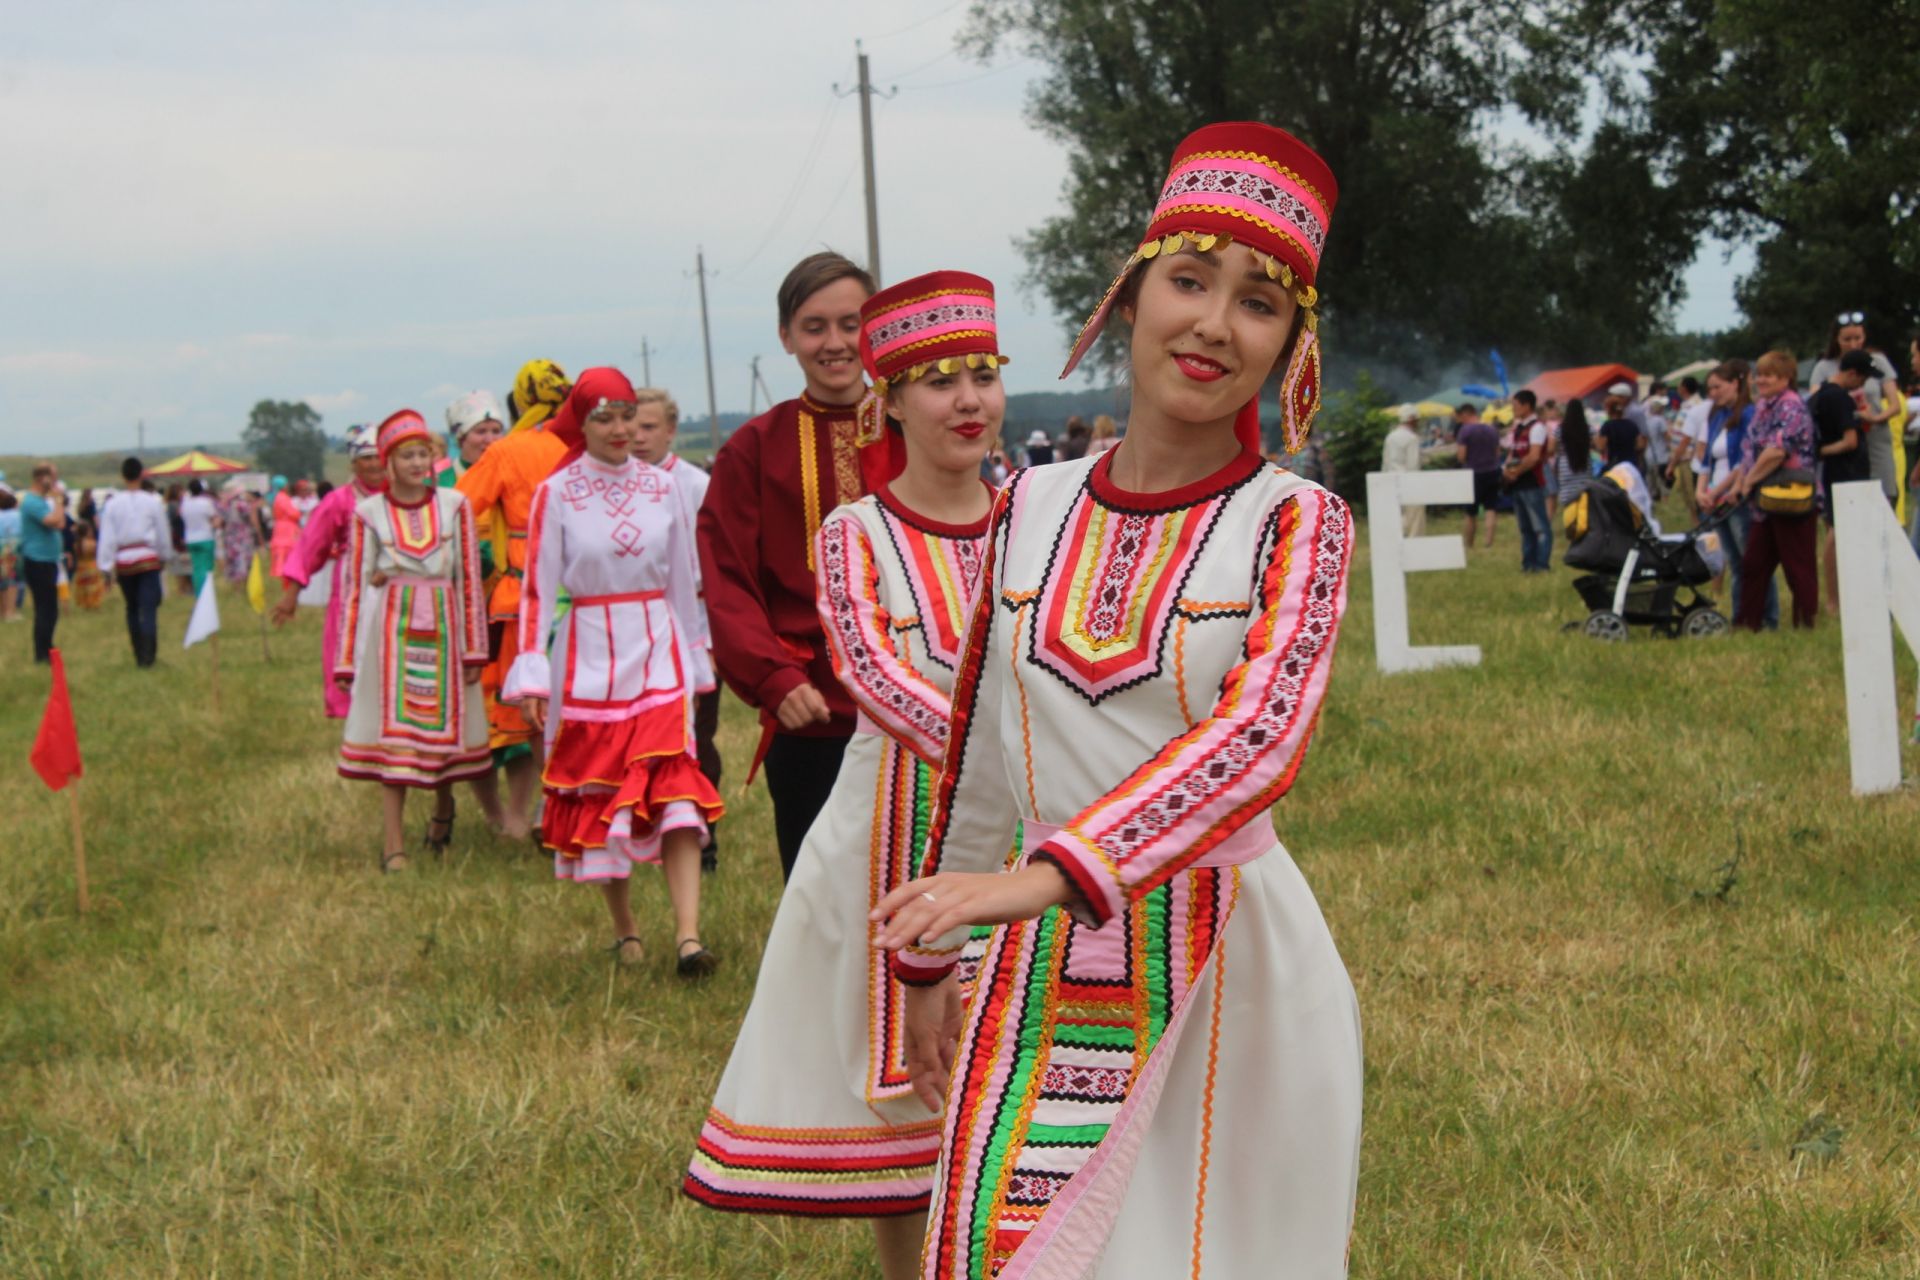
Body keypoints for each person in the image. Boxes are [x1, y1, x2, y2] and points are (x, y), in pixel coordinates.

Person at [870, 120, 1360, 1278]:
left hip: (1235, 968)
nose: (1212, 324)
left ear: (1292, 342)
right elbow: (984, 746)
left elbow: (1258, 740)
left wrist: (1047, 875)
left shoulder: (1296, 523)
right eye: (1189, 281)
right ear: (1130, 297)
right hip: (1040, 964)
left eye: (1259, 303)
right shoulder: (1027, 506)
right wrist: (931, 968)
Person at [686, 273, 1004, 1274]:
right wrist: (1013, 742)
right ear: (892, 397)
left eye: (984, 376)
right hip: (887, 830)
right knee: (904, 1077)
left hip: (1025, 833)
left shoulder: (1034, 518)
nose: (967, 399)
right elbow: (874, 670)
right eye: (939, 379)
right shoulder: (856, 532)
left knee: (1020, 1058)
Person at [503, 369, 722, 972]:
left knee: (676, 785)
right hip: (590, 657)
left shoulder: (663, 488)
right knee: (603, 795)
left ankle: (688, 937)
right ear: (582, 422)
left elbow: (682, 579)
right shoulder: (558, 492)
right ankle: (627, 931)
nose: (621, 429)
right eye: (605, 417)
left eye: (628, 414)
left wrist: (697, 661)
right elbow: (536, 592)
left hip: (658, 648)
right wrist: (530, 674)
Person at [699, 252, 875, 881]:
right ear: (786, 336)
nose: (835, 343)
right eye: (814, 326)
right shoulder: (753, 450)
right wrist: (773, 679)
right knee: (820, 889)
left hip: (927, 709)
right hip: (812, 710)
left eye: (851, 323)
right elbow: (727, 581)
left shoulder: (919, 430)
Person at [335, 411, 492, 872]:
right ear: (388, 462)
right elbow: (355, 587)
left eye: (424, 453)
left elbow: (467, 579)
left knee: (443, 735)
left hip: (445, 629)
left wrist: (474, 647)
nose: (419, 463)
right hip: (392, 634)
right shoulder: (368, 514)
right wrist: (348, 661)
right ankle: (394, 844)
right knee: (396, 741)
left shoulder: (454, 506)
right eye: (408, 455)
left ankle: (443, 812)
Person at [457, 361, 572, 838]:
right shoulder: (580, 444)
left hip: (527, 591)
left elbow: (459, 504)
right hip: (591, 592)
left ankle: (548, 811)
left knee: (533, 710)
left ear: (521, 401)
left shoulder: (508, 451)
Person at [625, 385, 724, 871]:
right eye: (632, 426)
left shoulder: (693, 483)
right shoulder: (620, 486)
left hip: (695, 621)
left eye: (649, 427)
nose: (638, 437)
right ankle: (644, 827)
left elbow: (714, 554)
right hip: (637, 626)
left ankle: (704, 837)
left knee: (697, 732)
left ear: (670, 430)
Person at [273, 427, 391, 719]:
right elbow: (311, 546)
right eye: (366, 458)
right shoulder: (339, 501)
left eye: (379, 456)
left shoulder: (403, 495)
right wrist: (291, 596)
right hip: (352, 593)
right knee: (351, 659)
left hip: (399, 591)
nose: (374, 464)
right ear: (353, 463)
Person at [1732, 350, 1819, 630]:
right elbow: (1749, 450)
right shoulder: (1763, 407)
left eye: (1769, 375)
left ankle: (1806, 624)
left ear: (1786, 378)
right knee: (1754, 563)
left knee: (1798, 566)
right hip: (1765, 501)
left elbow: (1777, 451)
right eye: (1759, 374)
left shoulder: (1791, 406)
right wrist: (1739, 482)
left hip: (1791, 497)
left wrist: (1748, 481)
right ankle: (1747, 624)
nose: (1761, 380)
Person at [1692, 361, 1773, 625]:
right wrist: (1700, 491)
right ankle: (1742, 616)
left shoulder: (1748, 414)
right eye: (1709, 388)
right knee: (1735, 562)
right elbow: (1706, 461)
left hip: (1737, 497)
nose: (1713, 393)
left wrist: (1717, 492)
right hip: (1717, 498)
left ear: (1735, 384)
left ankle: (1765, 616)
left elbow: (1743, 462)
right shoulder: (1717, 417)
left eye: (1717, 387)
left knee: (1752, 560)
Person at [1810, 312, 1901, 507]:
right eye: (1847, 339)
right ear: (1836, 339)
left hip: (1875, 441)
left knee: (1884, 502)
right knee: (1845, 510)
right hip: (1843, 448)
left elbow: (1895, 405)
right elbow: (1815, 401)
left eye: (1857, 338)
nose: (1853, 344)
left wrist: (1875, 417)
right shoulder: (1824, 367)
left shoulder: (1877, 360)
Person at [1811, 349, 1876, 612]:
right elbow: (1849, 441)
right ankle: (1834, 600)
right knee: (1838, 534)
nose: (1863, 384)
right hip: (1847, 472)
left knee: (1837, 531)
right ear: (1851, 373)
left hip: (1831, 473)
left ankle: (1839, 596)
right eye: (1863, 378)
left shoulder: (1820, 395)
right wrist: (1824, 450)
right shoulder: (1840, 399)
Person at [96, 456, 172, 667]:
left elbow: (107, 537)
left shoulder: (112, 505)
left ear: (123, 476)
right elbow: (162, 532)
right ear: (142, 474)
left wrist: (105, 566)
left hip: (124, 561)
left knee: (131, 607)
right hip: (147, 558)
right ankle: (149, 655)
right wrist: (164, 555)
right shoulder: (152, 502)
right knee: (148, 608)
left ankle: (139, 653)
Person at [17, 462, 67, 663]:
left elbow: (60, 522)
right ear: (41, 478)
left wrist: (56, 505)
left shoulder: (43, 501)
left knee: (51, 609)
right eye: (52, 478)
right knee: (45, 609)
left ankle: (47, 646)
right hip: (37, 560)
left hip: (48, 559)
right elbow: (54, 521)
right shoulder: (32, 503)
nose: (55, 482)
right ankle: (42, 652)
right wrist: (58, 500)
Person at [1502, 389, 1551, 572]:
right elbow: (1513, 453)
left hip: (1531, 482)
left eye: (1515, 405)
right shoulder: (1519, 428)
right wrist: (1507, 470)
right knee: (1525, 528)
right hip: (1519, 484)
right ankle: (1528, 564)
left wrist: (1516, 471)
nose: (1513, 409)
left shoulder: (1537, 427)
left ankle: (1541, 564)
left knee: (1539, 527)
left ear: (1526, 405)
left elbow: (1534, 456)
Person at [438, 390, 508, 489]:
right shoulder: (439, 486)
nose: (490, 440)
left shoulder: (513, 479)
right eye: (481, 431)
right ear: (461, 439)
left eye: (496, 431)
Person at [1454, 401, 1500, 548]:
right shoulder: (1491, 429)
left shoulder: (1465, 431)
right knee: (1490, 509)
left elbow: (1461, 456)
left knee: (1470, 512)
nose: (1460, 421)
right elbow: (1497, 453)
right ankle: (1488, 543)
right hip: (1492, 471)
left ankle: (1469, 544)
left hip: (1472, 474)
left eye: (1460, 417)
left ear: (1466, 414)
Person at [1382, 407, 1426, 536]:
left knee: (1396, 514)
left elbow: (1386, 461)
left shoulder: (1390, 436)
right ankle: (1414, 540)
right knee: (1414, 515)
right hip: (1408, 480)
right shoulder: (1412, 438)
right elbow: (1413, 465)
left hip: (1391, 478)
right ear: (1411, 419)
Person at [179, 478, 220, 596]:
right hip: (205, 537)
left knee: (196, 567)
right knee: (207, 567)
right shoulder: (205, 503)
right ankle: (206, 591)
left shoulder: (185, 504)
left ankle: (198, 591)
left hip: (190, 539)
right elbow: (214, 518)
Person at [219, 486, 265, 586]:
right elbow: (253, 520)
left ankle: (236, 586)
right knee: (243, 561)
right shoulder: (242, 505)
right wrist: (259, 536)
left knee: (233, 561)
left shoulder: (226, 505)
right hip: (242, 537)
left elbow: (221, 522)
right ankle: (243, 586)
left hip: (230, 538)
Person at [70, 493, 106, 611]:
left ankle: (84, 603)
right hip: (91, 565)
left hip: (81, 567)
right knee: (93, 586)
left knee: (83, 587)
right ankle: (93, 603)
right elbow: (97, 554)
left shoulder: (76, 544)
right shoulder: (92, 544)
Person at [1598, 392, 1644, 470]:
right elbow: (1640, 445)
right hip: (1631, 465)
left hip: (1616, 466)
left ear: (1608, 410)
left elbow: (1601, 447)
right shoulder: (1632, 425)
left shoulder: (1607, 426)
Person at [267, 477, 300, 577]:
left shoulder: (277, 497)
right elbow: (293, 513)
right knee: (285, 550)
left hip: (281, 528)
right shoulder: (282, 498)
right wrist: (298, 513)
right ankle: (282, 572)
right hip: (286, 529)